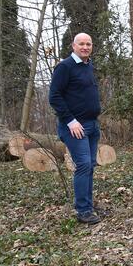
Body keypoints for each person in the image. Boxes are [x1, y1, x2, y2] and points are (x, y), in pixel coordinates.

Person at [49, 33, 102, 224]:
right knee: (84, 165)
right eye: (81, 44)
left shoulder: (88, 66)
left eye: (88, 44)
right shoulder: (65, 67)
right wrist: (71, 121)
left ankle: (88, 204)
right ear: (73, 46)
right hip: (74, 127)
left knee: (90, 166)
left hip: (91, 125)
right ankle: (83, 211)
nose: (85, 47)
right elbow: (54, 96)